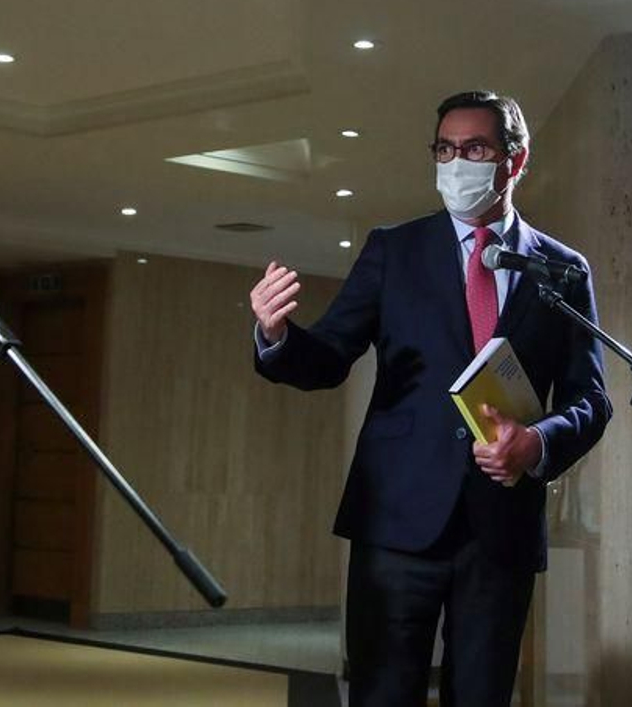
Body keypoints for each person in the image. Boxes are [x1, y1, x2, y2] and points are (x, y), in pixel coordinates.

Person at [249, 90, 610, 706]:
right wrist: (276, 336)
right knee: (382, 694)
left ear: (514, 162)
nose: (456, 162)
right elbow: (331, 356)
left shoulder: (562, 269)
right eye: (445, 149)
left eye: (475, 148)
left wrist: (536, 444)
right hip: (395, 519)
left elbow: (590, 397)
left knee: (482, 695)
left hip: (500, 528)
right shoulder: (394, 249)